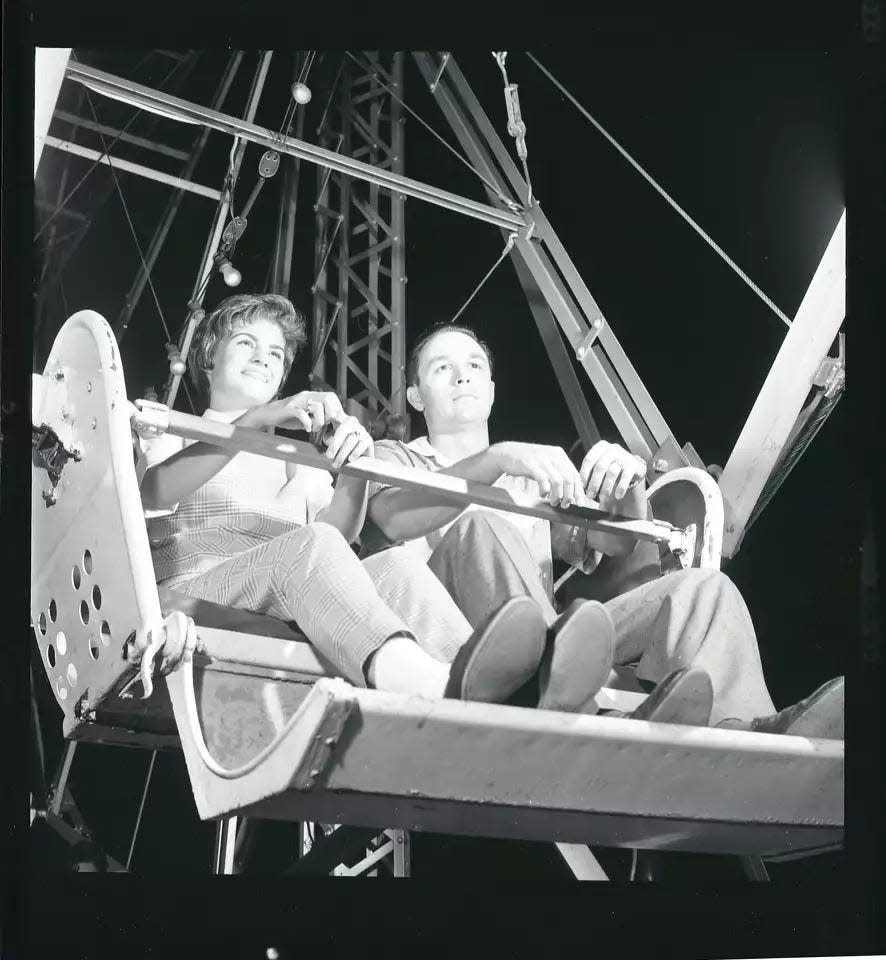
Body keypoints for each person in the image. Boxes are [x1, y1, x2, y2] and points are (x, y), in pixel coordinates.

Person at [135, 293, 701, 716]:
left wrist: (351, 472)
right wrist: (251, 423)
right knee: (312, 548)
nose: (263, 358)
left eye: (276, 352)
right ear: (208, 359)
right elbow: (152, 495)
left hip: (281, 591)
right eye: (246, 345)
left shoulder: (294, 461)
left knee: (394, 566)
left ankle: (489, 688)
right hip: (199, 579)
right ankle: (423, 684)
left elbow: (337, 537)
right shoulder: (170, 425)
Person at [363, 323, 844, 737]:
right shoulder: (395, 457)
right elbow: (388, 519)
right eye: (441, 367)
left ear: (490, 388)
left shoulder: (530, 475)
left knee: (705, 591)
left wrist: (627, 482)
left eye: (472, 365)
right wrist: (494, 459)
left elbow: (614, 539)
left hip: (560, 644)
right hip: (457, 647)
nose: (462, 373)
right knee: (479, 526)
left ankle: (749, 733)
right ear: (414, 395)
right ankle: (548, 675)